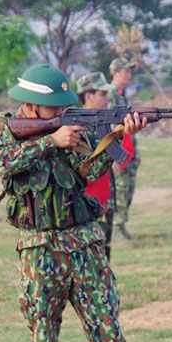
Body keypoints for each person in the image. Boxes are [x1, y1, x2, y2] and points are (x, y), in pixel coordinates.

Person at [0, 63, 171, 342]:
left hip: (85, 245)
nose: (59, 113)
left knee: (108, 332)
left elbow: (87, 171)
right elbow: (5, 164)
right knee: (43, 339)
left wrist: (116, 134)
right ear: (32, 105)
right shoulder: (1, 129)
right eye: (54, 108)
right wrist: (51, 140)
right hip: (40, 252)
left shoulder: (69, 128)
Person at [76, 71, 117, 260]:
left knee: (105, 257)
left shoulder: (101, 121)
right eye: (102, 94)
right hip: (90, 204)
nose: (107, 98)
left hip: (103, 201)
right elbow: (86, 168)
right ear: (88, 96)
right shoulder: (78, 127)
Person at [105, 57, 139, 240]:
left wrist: (136, 153)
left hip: (127, 151)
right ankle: (117, 226)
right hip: (118, 152)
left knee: (128, 188)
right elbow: (111, 127)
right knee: (120, 189)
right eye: (126, 71)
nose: (129, 74)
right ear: (115, 73)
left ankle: (121, 223)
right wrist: (115, 154)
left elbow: (129, 129)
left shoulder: (121, 94)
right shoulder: (110, 94)